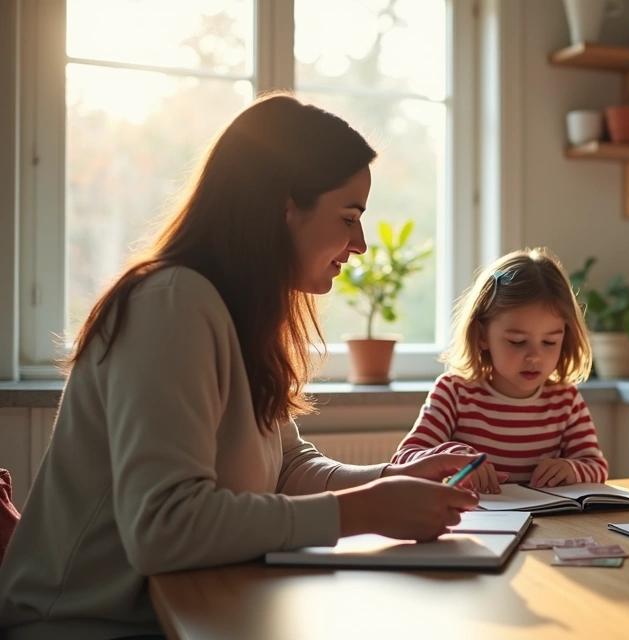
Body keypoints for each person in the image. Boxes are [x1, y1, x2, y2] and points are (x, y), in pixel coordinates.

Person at [0, 94, 482, 640]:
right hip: (84, 627)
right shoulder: (171, 304)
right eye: (348, 217)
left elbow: (287, 469)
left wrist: (389, 479)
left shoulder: (236, 312)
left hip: (177, 610)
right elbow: (164, 526)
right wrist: (364, 512)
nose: (361, 244)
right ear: (283, 206)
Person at [391, 248, 608, 493]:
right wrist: (449, 456)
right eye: (517, 341)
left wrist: (572, 469)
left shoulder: (566, 400)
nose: (534, 356)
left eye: (549, 342)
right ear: (482, 335)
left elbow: (596, 466)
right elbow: (404, 459)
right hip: (475, 523)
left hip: (549, 524)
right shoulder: (454, 392)